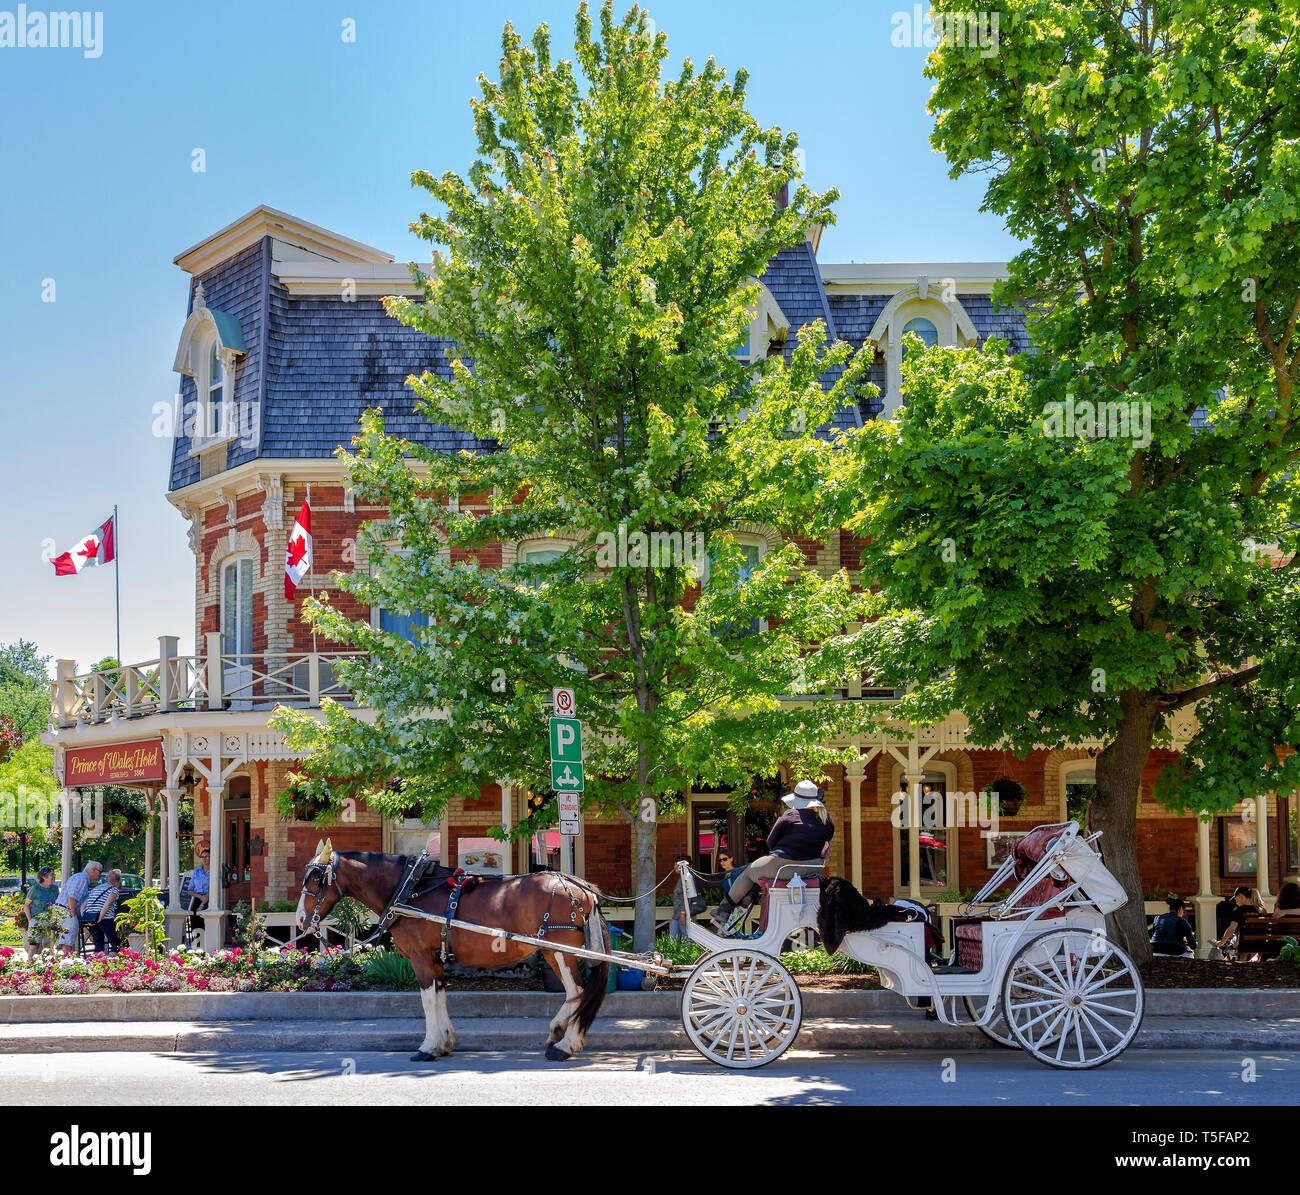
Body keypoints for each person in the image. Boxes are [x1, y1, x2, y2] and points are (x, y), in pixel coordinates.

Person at [709, 780, 833, 930]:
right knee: (753, 872)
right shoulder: (827, 820)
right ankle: (747, 897)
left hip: (784, 866)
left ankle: (724, 911)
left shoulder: (791, 814)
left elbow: (770, 842)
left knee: (748, 873)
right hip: (813, 870)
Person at [53, 859, 102, 955]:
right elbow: (72, 898)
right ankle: (67, 964)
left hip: (62, 910)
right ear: (93, 870)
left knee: (63, 942)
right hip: (67, 911)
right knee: (67, 942)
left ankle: (60, 963)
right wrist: (73, 915)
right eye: (99, 872)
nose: (99, 875)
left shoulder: (80, 877)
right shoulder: (82, 879)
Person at [82, 869, 124, 955]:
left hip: (91, 919)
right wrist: (99, 919)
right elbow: (107, 905)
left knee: (98, 943)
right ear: (117, 881)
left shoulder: (96, 888)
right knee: (115, 943)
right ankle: (113, 963)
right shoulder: (113, 890)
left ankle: (98, 963)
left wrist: (86, 918)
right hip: (105, 918)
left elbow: (83, 905)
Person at [22, 867, 59, 957]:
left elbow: (57, 904)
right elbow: (26, 905)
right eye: (51, 875)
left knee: (48, 946)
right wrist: (30, 920)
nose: (54, 876)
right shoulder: (35, 888)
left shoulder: (55, 889)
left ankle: (46, 967)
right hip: (36, 921)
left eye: (54, 874)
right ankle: (29, 965)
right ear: (44, 877)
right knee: (34, 945)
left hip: (50, 921)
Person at [1210, 886, 1254, 961]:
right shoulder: (1259, 909)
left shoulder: (1239, 910)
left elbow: (1231, 929)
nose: (1235, 900)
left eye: (1236, 897)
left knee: (1232, 943)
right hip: (1259, 944)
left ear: (1241, 896)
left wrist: (1221, 943)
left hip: (1244, 944)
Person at [188, 848, 211, 936]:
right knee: (194, 921)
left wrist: (207, 896)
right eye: (203, 857)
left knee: (205, 922)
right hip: (197, 899)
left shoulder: (214, 872)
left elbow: (215, 885)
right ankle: (196, 945)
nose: (204, 859)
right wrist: (200, 897)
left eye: (207, 857)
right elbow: (190, 889)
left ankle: (206, 945)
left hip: (209, 899)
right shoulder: (196, 872)